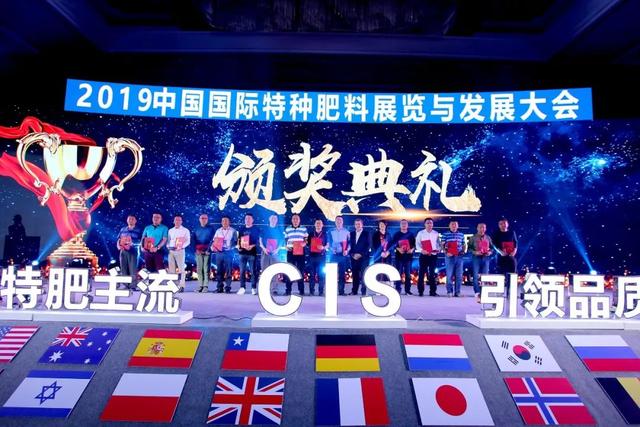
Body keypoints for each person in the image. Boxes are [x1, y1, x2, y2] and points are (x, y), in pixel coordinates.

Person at [491, 218, 519, 297]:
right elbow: (493, 244)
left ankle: (511, 292)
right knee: (501, 274)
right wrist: (500, 252)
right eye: (501, 224)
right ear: (499, 225)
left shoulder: (512, 232)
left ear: (507, 224)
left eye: (504, 223)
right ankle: (499, 292)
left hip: (511, 256)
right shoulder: (496, 233)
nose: (503, 225)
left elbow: (516, 243)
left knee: (513, 274)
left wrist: (514, 251)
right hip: (501, 256)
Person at [211, 215, 237, 293]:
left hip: (228, 252)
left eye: (226, 220)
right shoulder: (218, 231)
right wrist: (213, 247)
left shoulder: (233, 231)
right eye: (223, 221)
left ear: (229, 222)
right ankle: (220, 287)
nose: (224, 222)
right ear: (221, 222)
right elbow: (214, 240)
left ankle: (228, 287)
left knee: (228, 270)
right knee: (219, 270)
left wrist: (231, 247)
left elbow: (236, 242)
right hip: (219, 252)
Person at [415, 217, 440, 297]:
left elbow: (438, 244)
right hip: (424, 255)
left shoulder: (436, 233)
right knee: (421, 273)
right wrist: (422, 250)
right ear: (425, 224)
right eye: (428, 223)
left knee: (432, 274)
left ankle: (432, 291)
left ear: (433, 224)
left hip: (433, 256)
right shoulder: (421, 233)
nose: (429, 224)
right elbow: (417, 244)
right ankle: (420, 291)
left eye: (431, 223)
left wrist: (438, 249)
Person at [283, 214, 308, 296]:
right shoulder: (288, 228)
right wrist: (285, 246)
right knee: (290, 270)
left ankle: (301, 291)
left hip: (300, 251)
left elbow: (306, 239)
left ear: (299, 220)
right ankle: (288, 290)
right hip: (291, 251)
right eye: (294, 219)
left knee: (300, 271)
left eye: (297, 219)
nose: (295, 220)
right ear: (291, 220)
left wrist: (304, 243)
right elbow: (285, 239)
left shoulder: (303, 229)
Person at [469, 223, 493, 303]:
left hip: (486, 258)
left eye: (483, 227)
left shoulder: (488, 238)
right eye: (480, 227)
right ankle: (477, 292)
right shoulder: (473, 238)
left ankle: (483, 293)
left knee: (485, 276)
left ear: (485, 229)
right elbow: (469, 249)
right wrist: (475, 252)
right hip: (476, 258)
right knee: (476, 276)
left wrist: (490, 252)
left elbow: (492, 248)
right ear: (477, 228)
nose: (482, 229)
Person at [237, 213, 260, 295]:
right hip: (242, 253)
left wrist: (252, 246)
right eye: (246, 218)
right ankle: (242, 287)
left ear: (252, 220)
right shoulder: (241, 229)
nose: (247, 220)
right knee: (242, 271)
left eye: (249, 218)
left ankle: (253, 288)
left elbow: (258, 241)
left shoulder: (256, 229)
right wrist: (238, 246)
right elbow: (238, 240)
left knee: (253, 271)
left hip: (252, 253)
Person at [259, 215, 284, 294]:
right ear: (269, 219)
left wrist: (277, 249)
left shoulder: (279, 230)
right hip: (265, 252)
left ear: (277, 220)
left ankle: (274, 289)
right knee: (264, 270)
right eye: (272, 218)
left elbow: (281, 241)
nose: (273, 220)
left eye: (275, 219)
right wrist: (264, 248)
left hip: (275, 253)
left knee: (274, 270)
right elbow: (260, 240)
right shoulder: (264, 229)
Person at [441, 220, 466, 297]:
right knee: (449, 275)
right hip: (449, 257)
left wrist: (463, 251)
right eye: (452, 224)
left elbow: (463, 244)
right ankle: (449, 291)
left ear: (457, 226)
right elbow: (442, 245)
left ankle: (457, 292)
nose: (454, 226)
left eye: (455, 224)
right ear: (449, 226)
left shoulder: (461, 234)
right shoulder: (445, 234)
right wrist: (446, 252)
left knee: (459, 275)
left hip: (459, 257)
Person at [116, 214, 142, 289]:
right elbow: (118, 239)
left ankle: (133, 286)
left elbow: (141, 241)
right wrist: (118, 246)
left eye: (132, 219)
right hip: (123, 251)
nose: (131, 220)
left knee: (132, 269)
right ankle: (125, 285)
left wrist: (132, 243)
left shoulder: (139, 230)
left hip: (133, 251)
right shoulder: (123, 229)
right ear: (127, 220)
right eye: (129, 219)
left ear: (135, 221)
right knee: (123, 268)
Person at [390, 219, 415, 295]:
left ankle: (408, 290)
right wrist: (398, 249)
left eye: (405, 223)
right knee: (398, 273)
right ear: (400, 225)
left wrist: (411, 250)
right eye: (402, 223)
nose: (404, 225)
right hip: (399, 257)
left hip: (408, 257)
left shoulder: (411, 234)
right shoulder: (396, 234)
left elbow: (414, 245)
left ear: (407, 225)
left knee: (408, 274)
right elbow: (393, 244)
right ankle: (398, 289)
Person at [167, 214, 190, 292]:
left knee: (181, 269)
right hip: (171, 251)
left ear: (181, 221)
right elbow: (168, 241)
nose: (177, 221)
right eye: (176, 220)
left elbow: (188, 241)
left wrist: (181, 247)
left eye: (179, 220)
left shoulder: (185, 230)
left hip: (180, 250)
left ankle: (181, 286)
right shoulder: (170, 230)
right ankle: (173, 286)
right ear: (174, 221)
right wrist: (168, 246)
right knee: (171, 269)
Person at [192, 213, 215, 293]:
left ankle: (205, 286)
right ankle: (200, 285)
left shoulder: (211, 229)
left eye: (205, 218)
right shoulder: (196, 228)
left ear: (207, 220)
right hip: (198, 251)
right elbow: (193, 240)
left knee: (206, 269)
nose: (203, 220)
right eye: (202, 218)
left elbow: (213, 240)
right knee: (199, 269)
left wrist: (209, 250)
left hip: (207, 251)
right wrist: (196, 250)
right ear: (199, 219)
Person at [329, 215, 351, 296]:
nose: (339, 221)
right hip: (333, 255)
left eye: (340, 220)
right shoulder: (331, 231)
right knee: (332, 274)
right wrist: (332, 249)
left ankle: (341, 291)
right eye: (337, 220)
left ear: (342, 222)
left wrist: (347, 250)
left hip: (343, 255)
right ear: (335, 222)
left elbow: (349, 243)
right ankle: (331, 291)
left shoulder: (347, 232)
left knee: (342, 274)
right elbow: (328, 242)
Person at [308, 218, 329, 296]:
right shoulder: (311, 234)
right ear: (315, 224)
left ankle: (321, 291)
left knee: (321, 275)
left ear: (322, 225)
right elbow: (307, 244)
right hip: (312, 256)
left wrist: (323, 247)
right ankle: (311, 291)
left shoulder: (325, 234)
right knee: (312, 274)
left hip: (321, 257)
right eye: (317, 223)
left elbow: (328, 245)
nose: (318, 225)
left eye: (320, 223)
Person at [350, 218, 370, 296]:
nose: (357, 225)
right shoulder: (351, 234)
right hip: (353, 258)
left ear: (362, 225)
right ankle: (354, 291)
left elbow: (368, 245)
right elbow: (349, 245)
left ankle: (363, 291)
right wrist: (352, 255)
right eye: (356, 224)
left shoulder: (367, 233)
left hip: (364, 258)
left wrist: (361, 254)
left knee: (363, 275)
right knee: (355, 275)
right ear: (354, 225)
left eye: (359, 224)